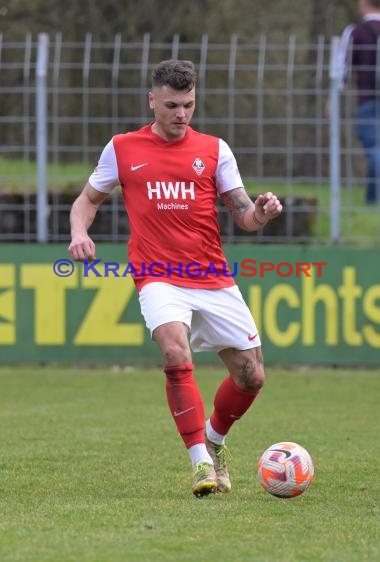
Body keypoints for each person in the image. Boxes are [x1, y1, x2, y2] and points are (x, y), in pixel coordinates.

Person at [68, 59, 282, 498]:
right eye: (171, 105)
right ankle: (200, 463)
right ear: (152, 101)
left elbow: (242, 214)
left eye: (188, 105)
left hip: (211, 274)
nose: (181, 114)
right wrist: (78, 233)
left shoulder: (215, 149)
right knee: (173, 349)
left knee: (252, 376)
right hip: (157, 275)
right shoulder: (122, 148)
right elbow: (87, 200)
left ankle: (216, 441)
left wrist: (259, 214)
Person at [337, 0, 380, 204]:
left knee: (373, 149)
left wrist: (334, 98)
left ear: (363, 2)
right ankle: (372, 201)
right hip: (369, 100)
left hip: (368, 99)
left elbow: (341, 71)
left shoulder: (356, 32)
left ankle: (373, 200)